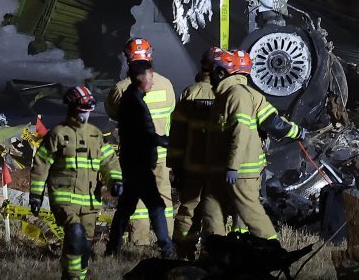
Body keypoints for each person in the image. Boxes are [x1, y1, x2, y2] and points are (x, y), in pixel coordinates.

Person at [210, 49, 303, 242]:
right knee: (241, 212)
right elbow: (274, 124)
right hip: (243, 165)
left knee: (248, 211)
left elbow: (258, 127)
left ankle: (271, 247)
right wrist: (296, 132)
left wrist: (298, 132)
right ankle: (240, 246)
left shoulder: (239, 95)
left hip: (243, 167)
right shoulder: (244, 94)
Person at [30, 86, 121, 280]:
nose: (85, 116)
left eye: (87, 111)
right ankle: (71, 276)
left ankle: (77, 276)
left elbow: (108, 161)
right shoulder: (58, 134)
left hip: (89, 202)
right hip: (64, 199)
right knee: (75, 234)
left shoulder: (95, 135)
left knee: (84, 247)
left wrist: (115, 181)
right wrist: (36, 196)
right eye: (81, 111)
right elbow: (41, 164)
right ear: (72, 109)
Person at [105, 37, 175, 244]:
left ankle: (140, 240)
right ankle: (167, 239)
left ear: (128, 59)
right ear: (150, 56)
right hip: (162, 155)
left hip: (135, 156)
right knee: (164, 197)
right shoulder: (166, 85)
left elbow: (113, 113)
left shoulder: (121, 89)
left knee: (136, 201)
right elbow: (171, 111)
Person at [168, 47, 226, 256]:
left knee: (188, 208)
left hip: (192, 164)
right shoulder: (228, 93)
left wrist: (175, 166)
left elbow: (177, 133)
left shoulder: (190, 92)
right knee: (215, 212)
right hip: (218, 167)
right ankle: (213, 256)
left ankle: (182, 251)